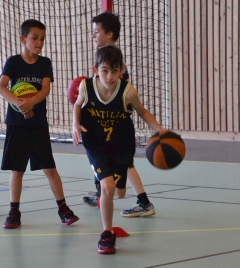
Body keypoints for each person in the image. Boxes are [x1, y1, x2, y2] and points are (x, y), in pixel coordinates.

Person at [72, 45, 163, 254]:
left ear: (121, 70)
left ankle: (102, 181)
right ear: (96, 70)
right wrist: (74, 124)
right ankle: (107, 234)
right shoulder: (86, 87)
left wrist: (161, 131)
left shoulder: (128, 92)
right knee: (108, 187)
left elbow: (143, 112)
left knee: (119, 193)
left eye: (114, 71)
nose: (110, 76)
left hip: (121, 145)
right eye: (104, 71)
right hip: (95, 143)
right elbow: (77, 105)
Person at [0, 19, 79, 229]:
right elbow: (2, 87)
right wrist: (19, 104)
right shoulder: (13, 62)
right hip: (16, 124)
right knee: (17, 170)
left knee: (50, 168)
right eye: (35, 38)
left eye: (42, 38)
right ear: (23, 39)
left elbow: (45, 89)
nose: (40, 42)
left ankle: (63, 209)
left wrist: (31, 102)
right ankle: (13, 212)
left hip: (38, 124)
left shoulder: (45, 63)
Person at [81, 11, 156, 218]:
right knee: (116, 166)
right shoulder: (104, 64)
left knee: (123, 164)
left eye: (97, 32)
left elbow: (131, 104)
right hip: (104, 129)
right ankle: (106, 194)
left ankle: (141, 200)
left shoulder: (114, 65)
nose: (94, 36)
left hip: (117, 129)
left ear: (109, 34)